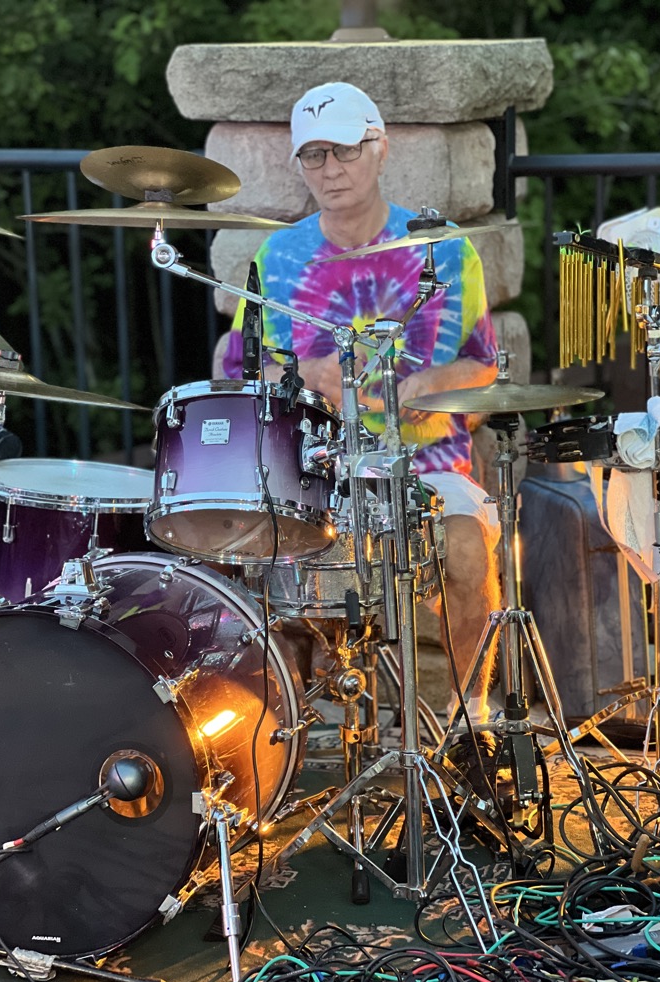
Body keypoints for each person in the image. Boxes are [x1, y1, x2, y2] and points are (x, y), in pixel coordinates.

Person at [221, 81, 502, 774]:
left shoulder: (439, 248)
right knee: (233, 552)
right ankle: (273, 745)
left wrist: (421, 385)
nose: (330, 169)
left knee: (467, 548)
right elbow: (235, 367)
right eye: (313, 155)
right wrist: (301, 376)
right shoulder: (277, 260)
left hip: (426, 462)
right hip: (313, 470)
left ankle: (473, 722)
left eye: (345, 150)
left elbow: (486, 372)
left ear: (381, 149)